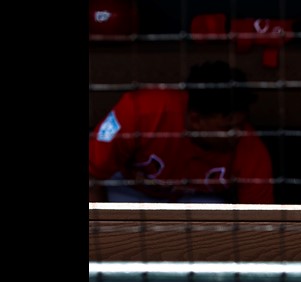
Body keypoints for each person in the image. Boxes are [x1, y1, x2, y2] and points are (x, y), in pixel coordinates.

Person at [89, 60, 275, 204]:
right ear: (196, 120)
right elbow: (92, 174)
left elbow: (260, 218)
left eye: (241, 124)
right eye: (226, 128)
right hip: (129, 192)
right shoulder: (142, 111)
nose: (237, 133)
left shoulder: (250, 148)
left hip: (193, 202)